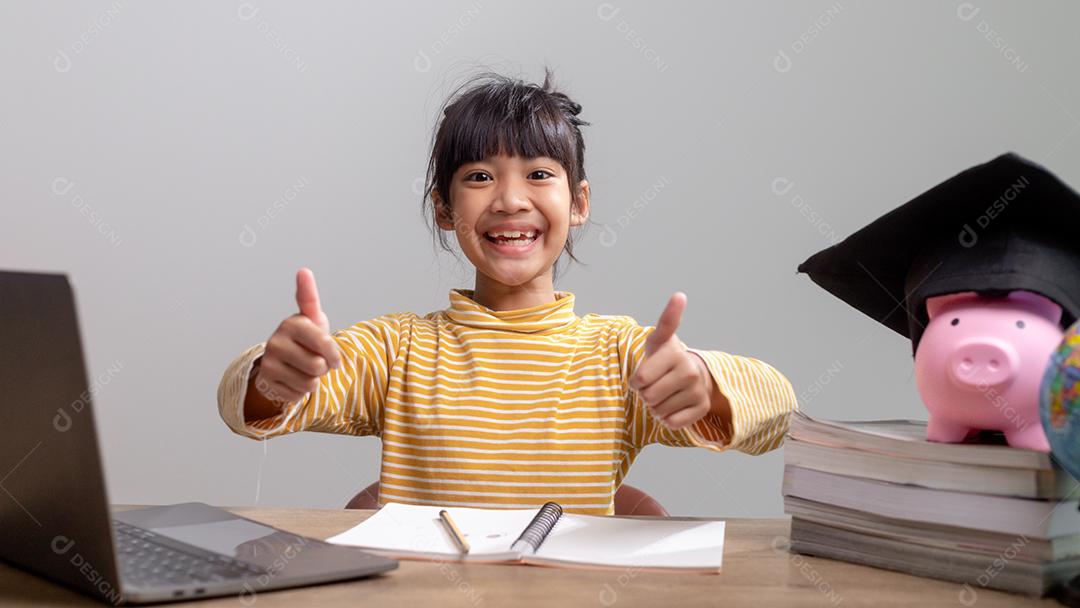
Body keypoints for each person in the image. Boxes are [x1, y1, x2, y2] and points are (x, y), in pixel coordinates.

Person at [217, 69, 798, 515]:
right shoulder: (398, 350)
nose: (510, 199)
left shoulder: (619, 355)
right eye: (479, 176)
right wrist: (275, 376)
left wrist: (704, 383)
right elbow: (244, 410)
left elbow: (781, 413)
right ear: (444, 208)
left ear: (579, 204)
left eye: (539, 174)